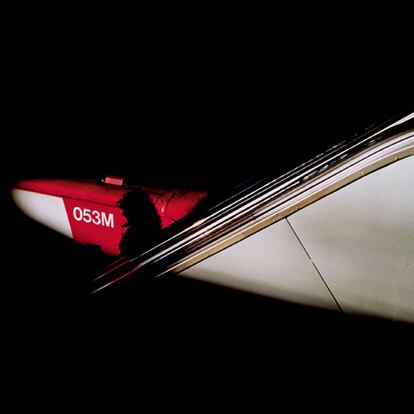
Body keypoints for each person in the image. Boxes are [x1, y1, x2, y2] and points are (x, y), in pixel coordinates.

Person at [118, 189, 162, 255]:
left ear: (135, 212)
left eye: (126, 210)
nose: (123, 214)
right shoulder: (152, 227)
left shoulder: (137, 235)